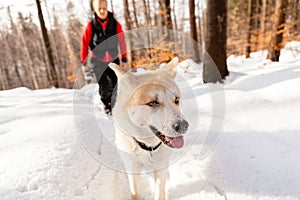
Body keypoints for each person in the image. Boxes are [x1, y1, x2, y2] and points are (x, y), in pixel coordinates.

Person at [81, 0, 127, 115]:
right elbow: (84, 43)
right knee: (104, 85)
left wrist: (124, 58)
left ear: (107, 8)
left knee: (115, 83)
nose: (102, 11)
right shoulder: (91, 25)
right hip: (98, 60)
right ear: (95, 10)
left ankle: (114, 103)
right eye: (99, 8)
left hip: (113, 58)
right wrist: (84, 62)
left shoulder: (115, 24)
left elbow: (122, 41)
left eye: (104, 8)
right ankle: (106, 104)